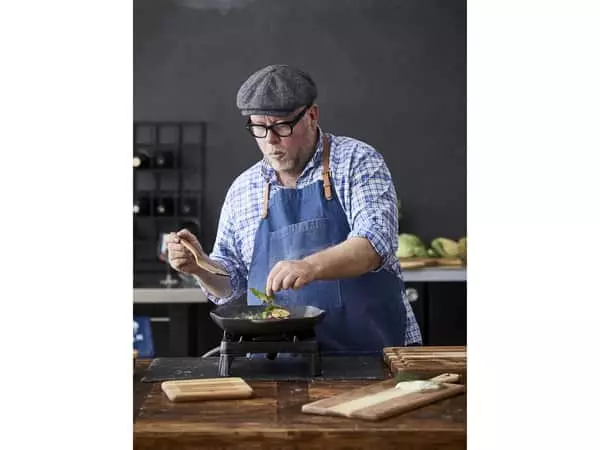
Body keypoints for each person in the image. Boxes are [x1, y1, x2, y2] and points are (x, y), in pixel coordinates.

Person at [166, 64, 422, 354]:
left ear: (312, 115)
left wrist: (309, 267)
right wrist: (200, 267)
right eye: (259, 128)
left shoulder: (356, 161)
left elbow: (376, 243)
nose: (270, 140)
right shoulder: (243, 189)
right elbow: (233, 288)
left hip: (371, 353)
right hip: (276, 361)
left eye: (281, 126)